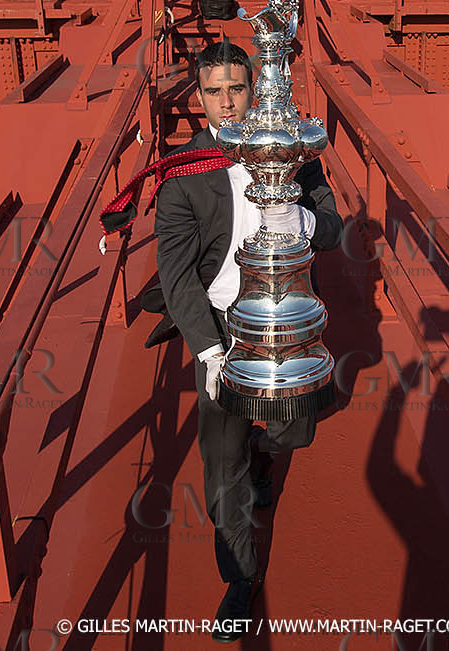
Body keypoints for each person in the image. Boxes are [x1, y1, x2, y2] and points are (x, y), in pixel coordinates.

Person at [153, 40, 343, 640]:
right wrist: (208, 353)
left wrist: (299, 217)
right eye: (214, 91)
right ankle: (240, 578)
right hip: (223, 329)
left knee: (294, 429)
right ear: (199, 98)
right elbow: (177, 276)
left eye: (238, 88)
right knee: (222, 463)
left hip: (284, 316)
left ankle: (270, 451)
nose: (228, 103)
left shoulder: (292, 150)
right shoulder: (185, 175)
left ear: (254, 89)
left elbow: (334, 230)